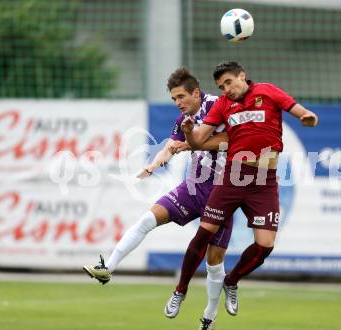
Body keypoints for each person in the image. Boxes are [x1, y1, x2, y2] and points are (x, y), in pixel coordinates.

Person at [165, 61, 318, 317]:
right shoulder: (224, 105)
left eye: (228, 82)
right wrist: (189, 134)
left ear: (242, 76)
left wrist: (307, 117)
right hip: (233, 177)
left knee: (265, 245)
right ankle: (180, 290)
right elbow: (199, 140)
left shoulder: (268, 91)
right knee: (205, 233)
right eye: (220, 86)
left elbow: (300, 111)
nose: (225, 89)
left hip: (264, 181)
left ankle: (232, 280)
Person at [83, 67, 231, 330]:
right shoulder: (182, 119)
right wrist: (153, 165)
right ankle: (108, 268)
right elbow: (169, 148)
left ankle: (209, 316)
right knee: (147, 219)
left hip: (223, 193)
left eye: (181, 97)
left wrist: (190, 143)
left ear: (196, 93)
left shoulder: (218, 107)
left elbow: (231, 140)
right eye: (174, 99)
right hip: (193, 188)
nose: (178, 103)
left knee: (214, 261)